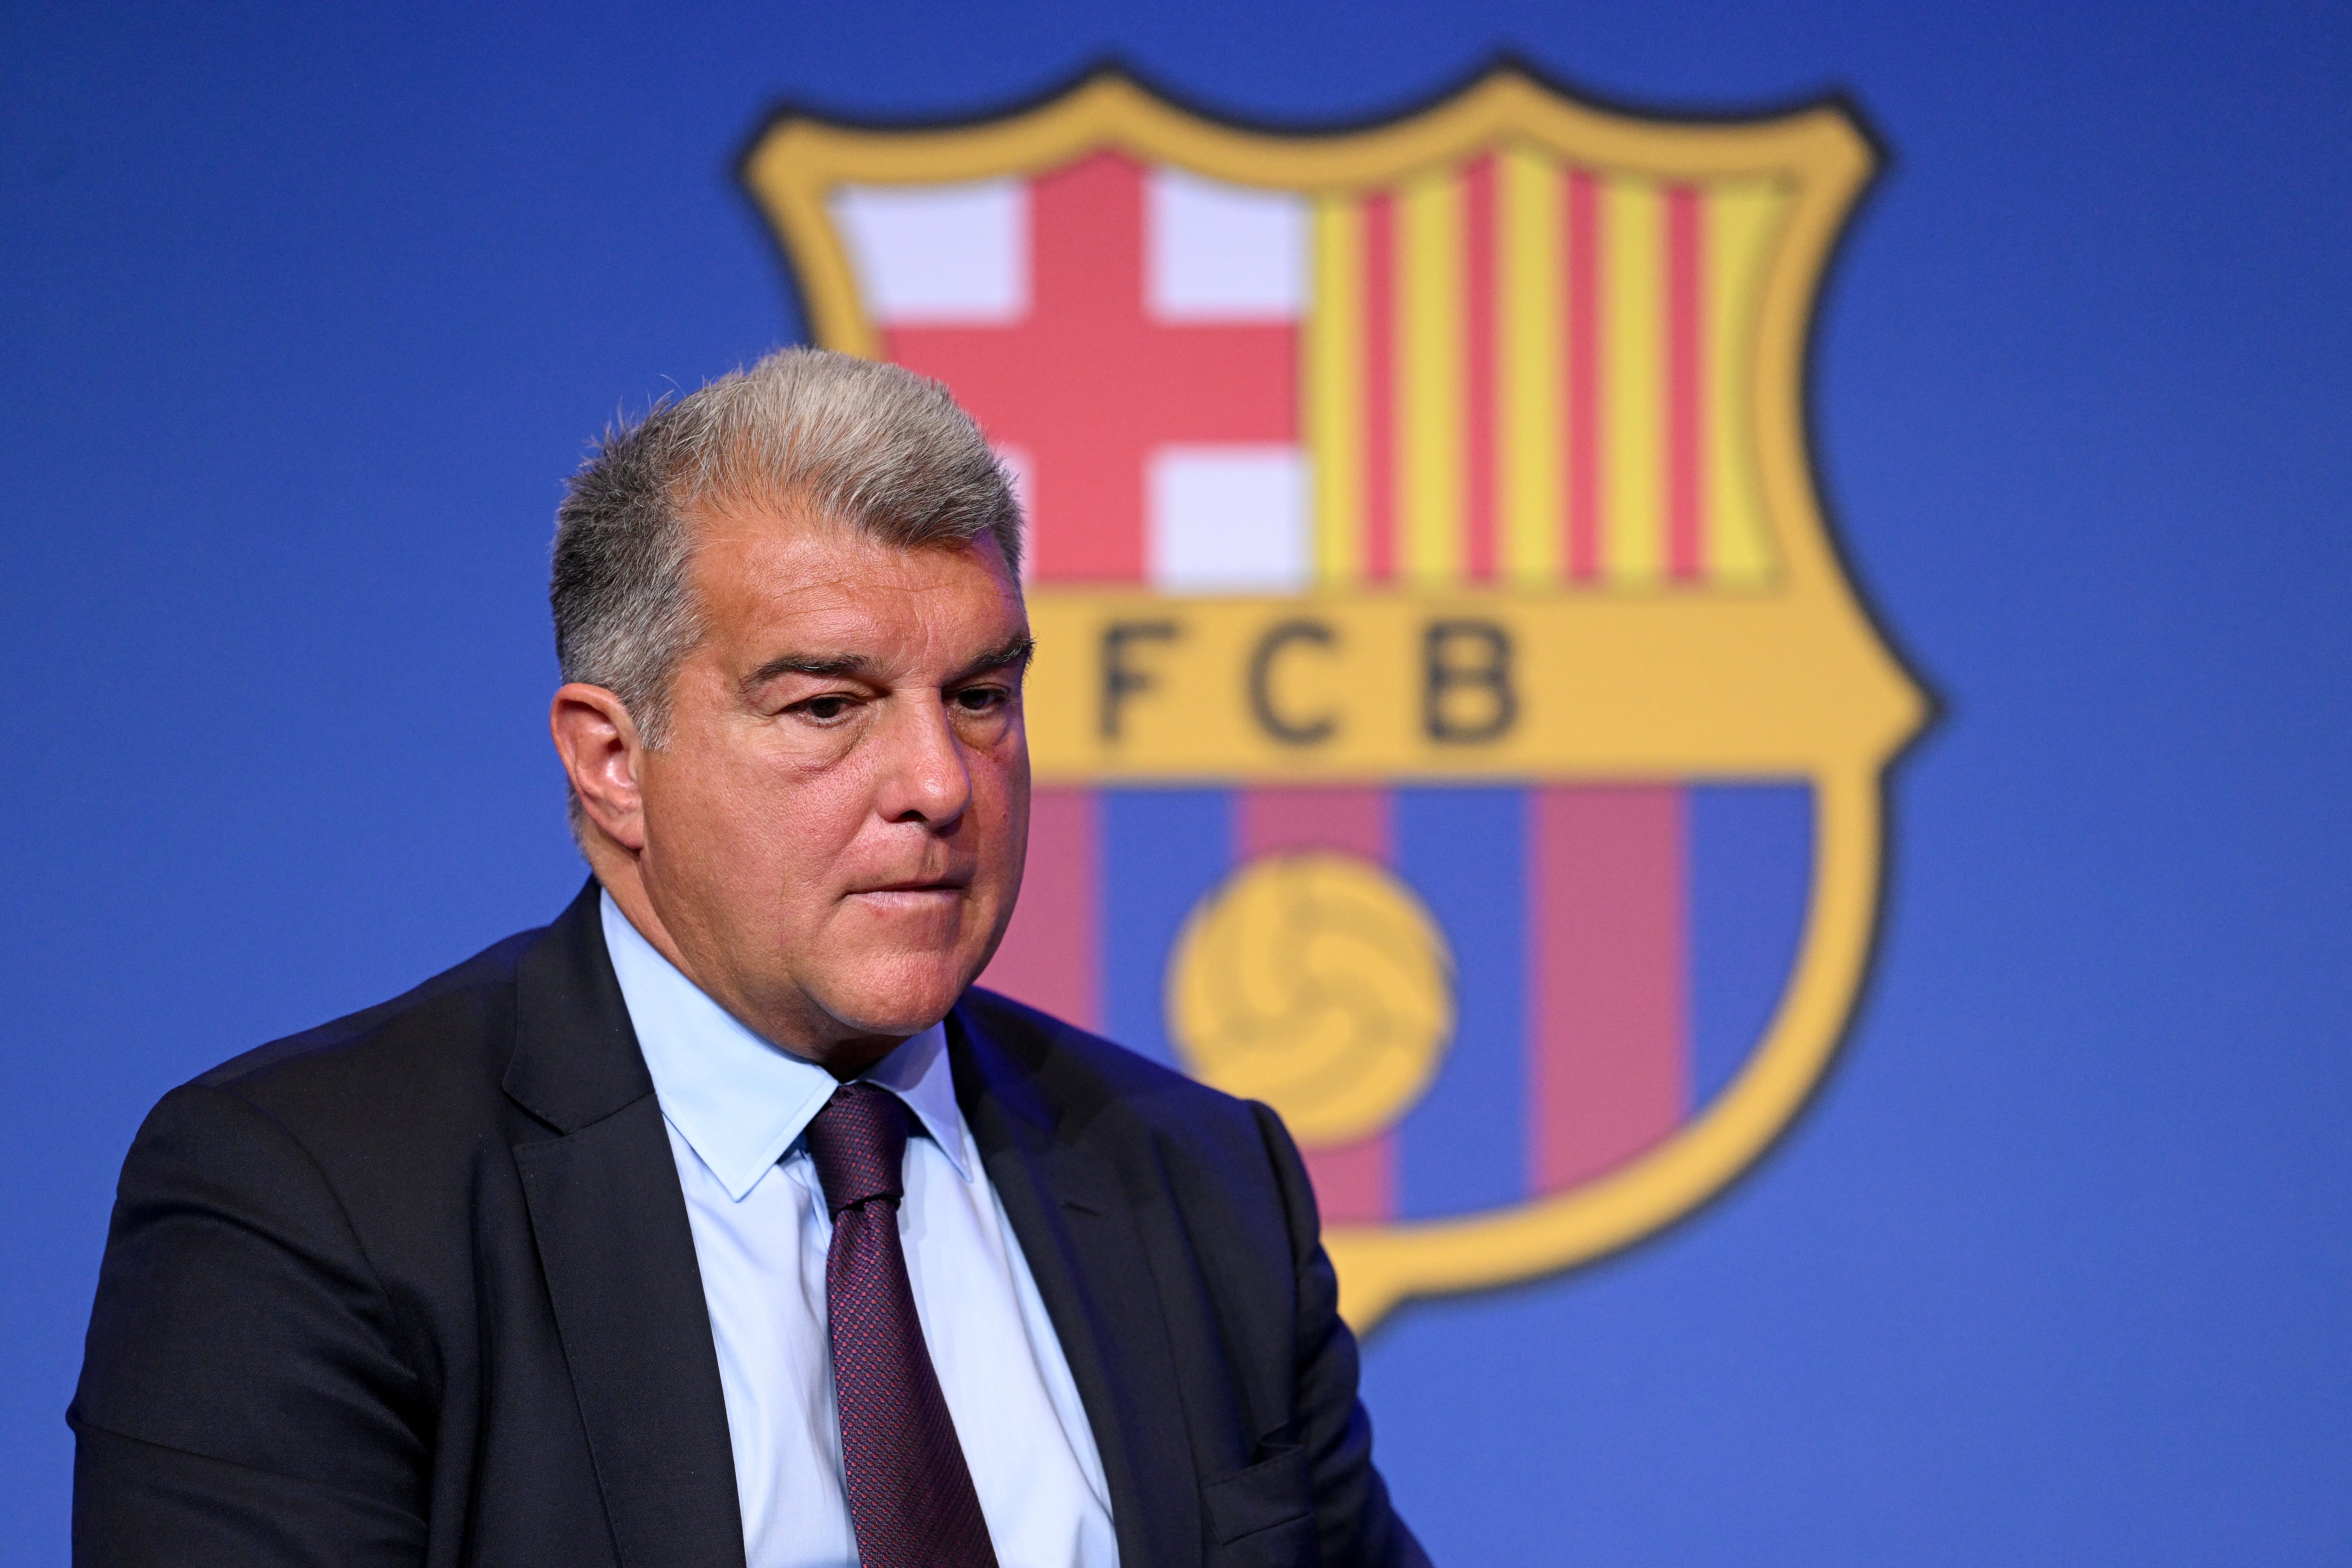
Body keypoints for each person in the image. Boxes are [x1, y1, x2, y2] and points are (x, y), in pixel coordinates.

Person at [70, 348, 1430, 1568]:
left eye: (979, 697)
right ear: (612, 760)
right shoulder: (312, 1198)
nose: (940, 784)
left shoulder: (1196, 1182)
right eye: (829, 706)